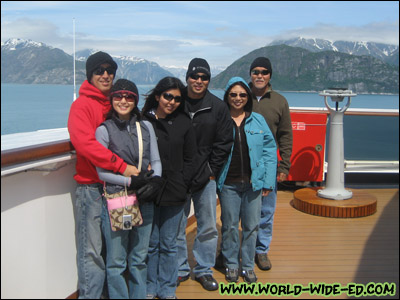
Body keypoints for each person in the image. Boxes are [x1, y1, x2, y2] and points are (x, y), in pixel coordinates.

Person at [68, 51, 140, 298]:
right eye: (99, 70)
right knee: (92, 251)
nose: (106, 75)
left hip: (118, 188)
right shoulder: (81, 106)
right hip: (92, 189)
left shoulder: (114, 103)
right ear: (90, 75)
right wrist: (121, 166)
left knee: (117, 250)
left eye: (110, 70)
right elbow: (86, 144)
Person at [95, 78, 163, 299]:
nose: (123, 100)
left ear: (135, 100)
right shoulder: (104, 131)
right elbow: (101, 172)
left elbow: (157, 160)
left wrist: (156, 181)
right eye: (118, 96)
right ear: (112, 99)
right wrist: (130, 182)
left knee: (139, 258)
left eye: (128, 97)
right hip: (119, 199)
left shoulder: (146, 127)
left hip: (145, 198)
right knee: (116, 261)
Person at [176, 58, 233, 291]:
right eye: (195, 76)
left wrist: (211, 172)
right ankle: (179, 269)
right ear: (187, 76)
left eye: (204, 77)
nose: (199, 81)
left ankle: (203, 269)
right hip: (178, 176)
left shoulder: (218, 107)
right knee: (176, 225)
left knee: (208, 225)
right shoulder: (176, 101)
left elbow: (224, 142)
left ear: (208, 80)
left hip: (205, 178)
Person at [217, 77, 277, 283]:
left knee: (252, 226)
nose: (238, 98)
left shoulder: (258, 120)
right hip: (228, 184)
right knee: (230, 226)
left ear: (248, 97)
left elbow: (270, 150)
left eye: (242, 94)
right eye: (233, 94)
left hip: (254, 184)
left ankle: (249, 266)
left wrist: (268, 181)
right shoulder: (221, 119)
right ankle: (231, 264)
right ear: (227, 96)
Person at [142, 77, 197, 299]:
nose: (172, 102)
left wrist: (183, 182)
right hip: (149, 191)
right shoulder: (143, 120)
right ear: (157, 96)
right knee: (151, 243)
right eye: (167, 96)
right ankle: (149, 287)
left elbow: (191, 158)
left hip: (175, 191)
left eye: (177, 98)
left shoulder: (184, 122)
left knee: (169, 243)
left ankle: (167, 289)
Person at [249, 57, 293, 271]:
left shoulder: (279, 101)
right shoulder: (238, 96)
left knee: (266, 211)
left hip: (268, 165)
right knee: (238, 211)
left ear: (270, 76)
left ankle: (261, 250)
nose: (259, 75)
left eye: (264, 72)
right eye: (256, 71)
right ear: (250, 74)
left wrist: (284, 166)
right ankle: (234, 249)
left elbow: (285, 135)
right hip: (241, 165)